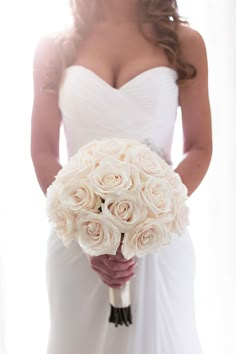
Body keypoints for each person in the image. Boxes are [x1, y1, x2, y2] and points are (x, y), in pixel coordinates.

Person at [31, 0, 212, 353]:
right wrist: (87, 231)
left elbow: (200, 147)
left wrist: (150, 218)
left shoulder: (185, 42)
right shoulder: (52, 47)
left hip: (157, 242)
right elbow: (43, 151)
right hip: (75, 247)